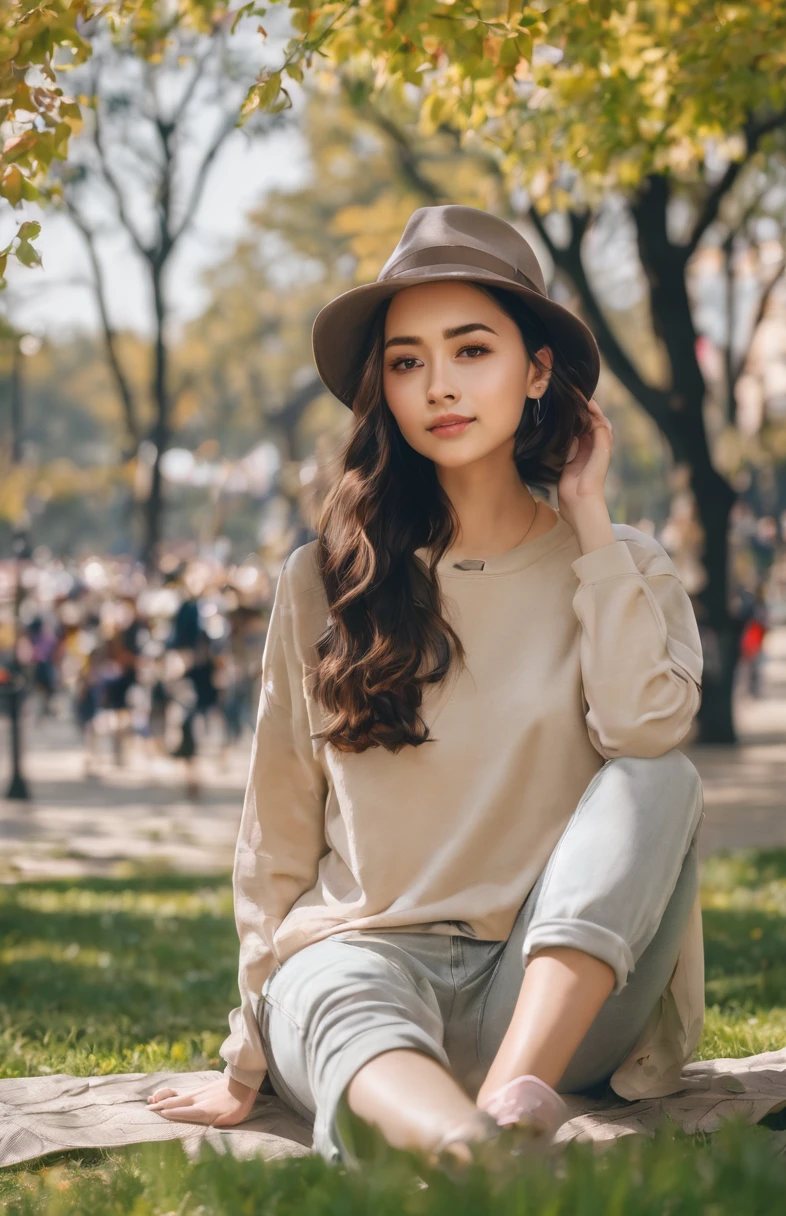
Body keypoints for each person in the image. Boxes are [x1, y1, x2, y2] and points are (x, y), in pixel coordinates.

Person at [147, 205, 705, 1172]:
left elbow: (644, 734)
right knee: (333, 981)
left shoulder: (622, 565)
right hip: (364, 971)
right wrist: (247, 1056)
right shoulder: (323, 581)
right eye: (406, 362)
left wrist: (588, 522)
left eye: (472, 350)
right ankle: (469, 1152)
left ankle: (509, 1100)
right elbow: (275, 827)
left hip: (554, 998)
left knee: (661, 779)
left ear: (538, 374)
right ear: (385, 391)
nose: (438, 385)